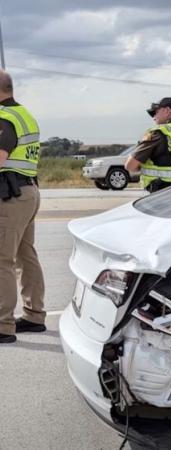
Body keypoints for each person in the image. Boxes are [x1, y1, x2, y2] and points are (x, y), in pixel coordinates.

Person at [0, 70, 46, 344]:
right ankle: (34, 315)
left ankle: (3, 325)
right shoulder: (23, 114)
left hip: (11, 195)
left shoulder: (4, 118)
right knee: (24, 256)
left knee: (2, 259)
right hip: (27, 191)